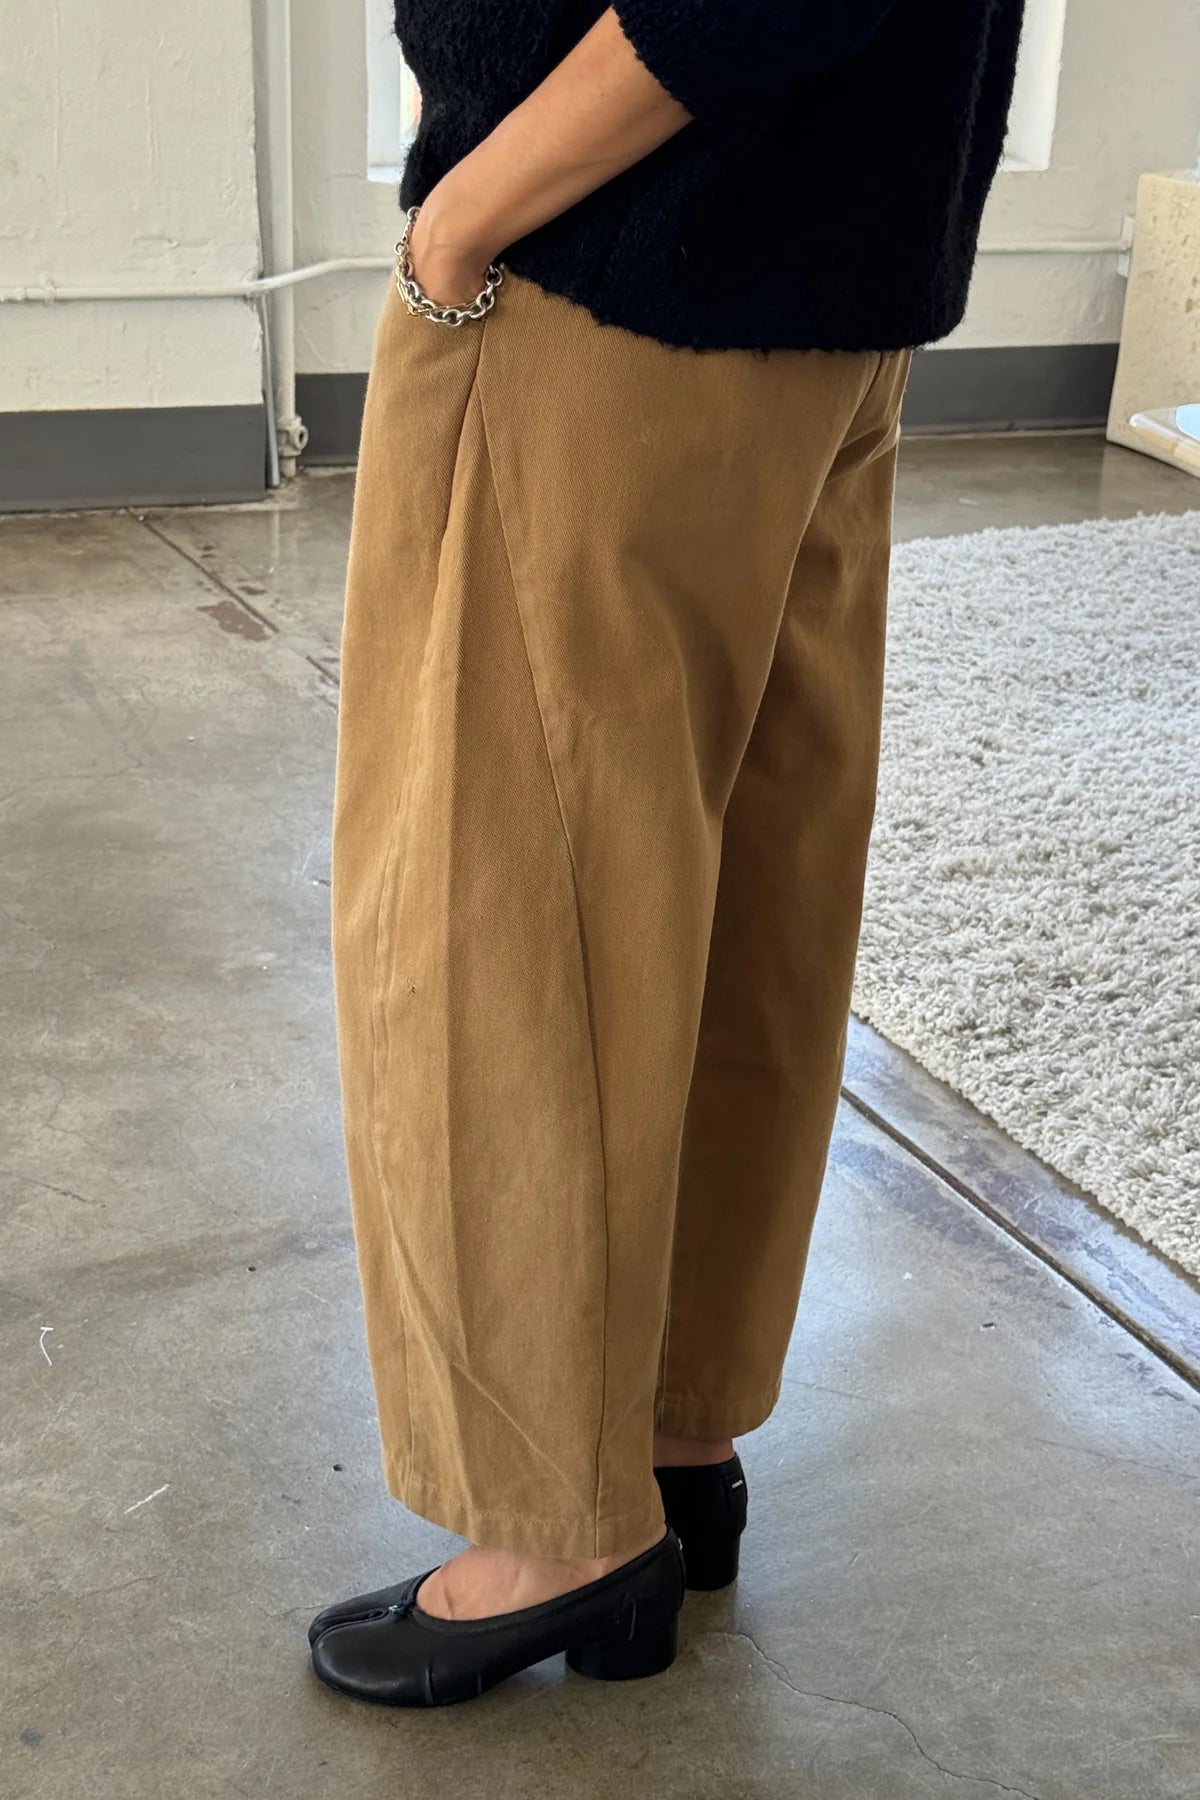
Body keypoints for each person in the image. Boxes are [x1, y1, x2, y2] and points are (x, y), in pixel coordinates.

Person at [310, 0, 1026, 1707]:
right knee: (739, 885)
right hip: (835, 262)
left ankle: (556, 1526)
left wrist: (467, 213)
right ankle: (669, 1433)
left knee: (503, 912)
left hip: (608, 249)